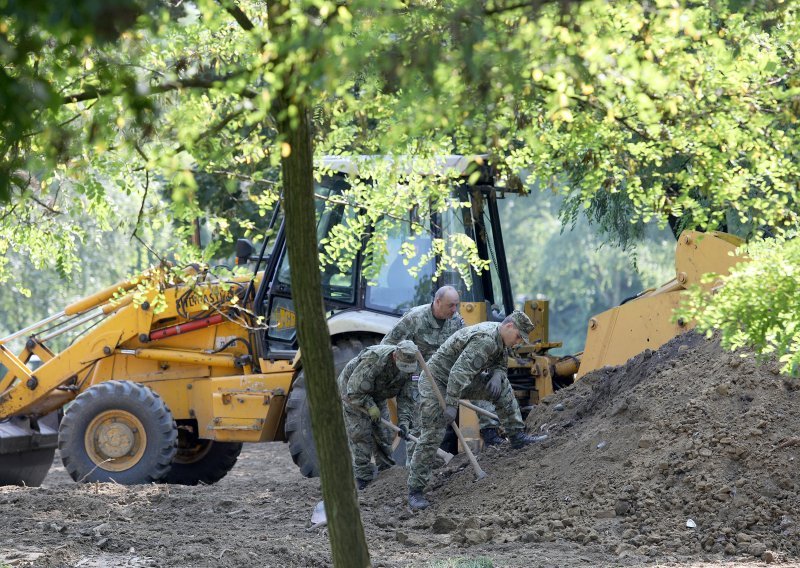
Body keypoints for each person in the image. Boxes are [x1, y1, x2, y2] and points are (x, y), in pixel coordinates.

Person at [407, 311, 544, 510]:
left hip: (459, 381)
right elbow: (458, 373)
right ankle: (415, 491)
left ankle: (517, 437)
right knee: (432, 433)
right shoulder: (486, 340)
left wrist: (497, 375)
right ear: (509, 327)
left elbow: (498, 362)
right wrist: (452, 405)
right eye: (518, 336)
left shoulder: (499, 338)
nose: (518, 341)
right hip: (435, 382)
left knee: (502, 387)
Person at [381, 286, 504, 453]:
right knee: (419, 419)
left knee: (478, 379)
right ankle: (415, 462)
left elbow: (471, 345)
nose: (454, 310)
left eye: (456, 305)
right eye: (450, 306)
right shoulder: (414, 318)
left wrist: (491, 368)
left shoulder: (456, 321)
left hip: (447, 372)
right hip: (419, 375)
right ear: (437, 302)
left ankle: (490, 432)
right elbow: (386, 347)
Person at [337, 340, 420, 490]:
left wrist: (404, 422)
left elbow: (406, 397)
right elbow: (354, 390)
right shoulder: (374, 360)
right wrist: (369, 406)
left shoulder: (412, 366)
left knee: (383, 432)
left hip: (378, 394)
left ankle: (386, 472)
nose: (406, 370)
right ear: (395, 356)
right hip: (353, 393)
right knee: (360, 433)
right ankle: (363, 477)